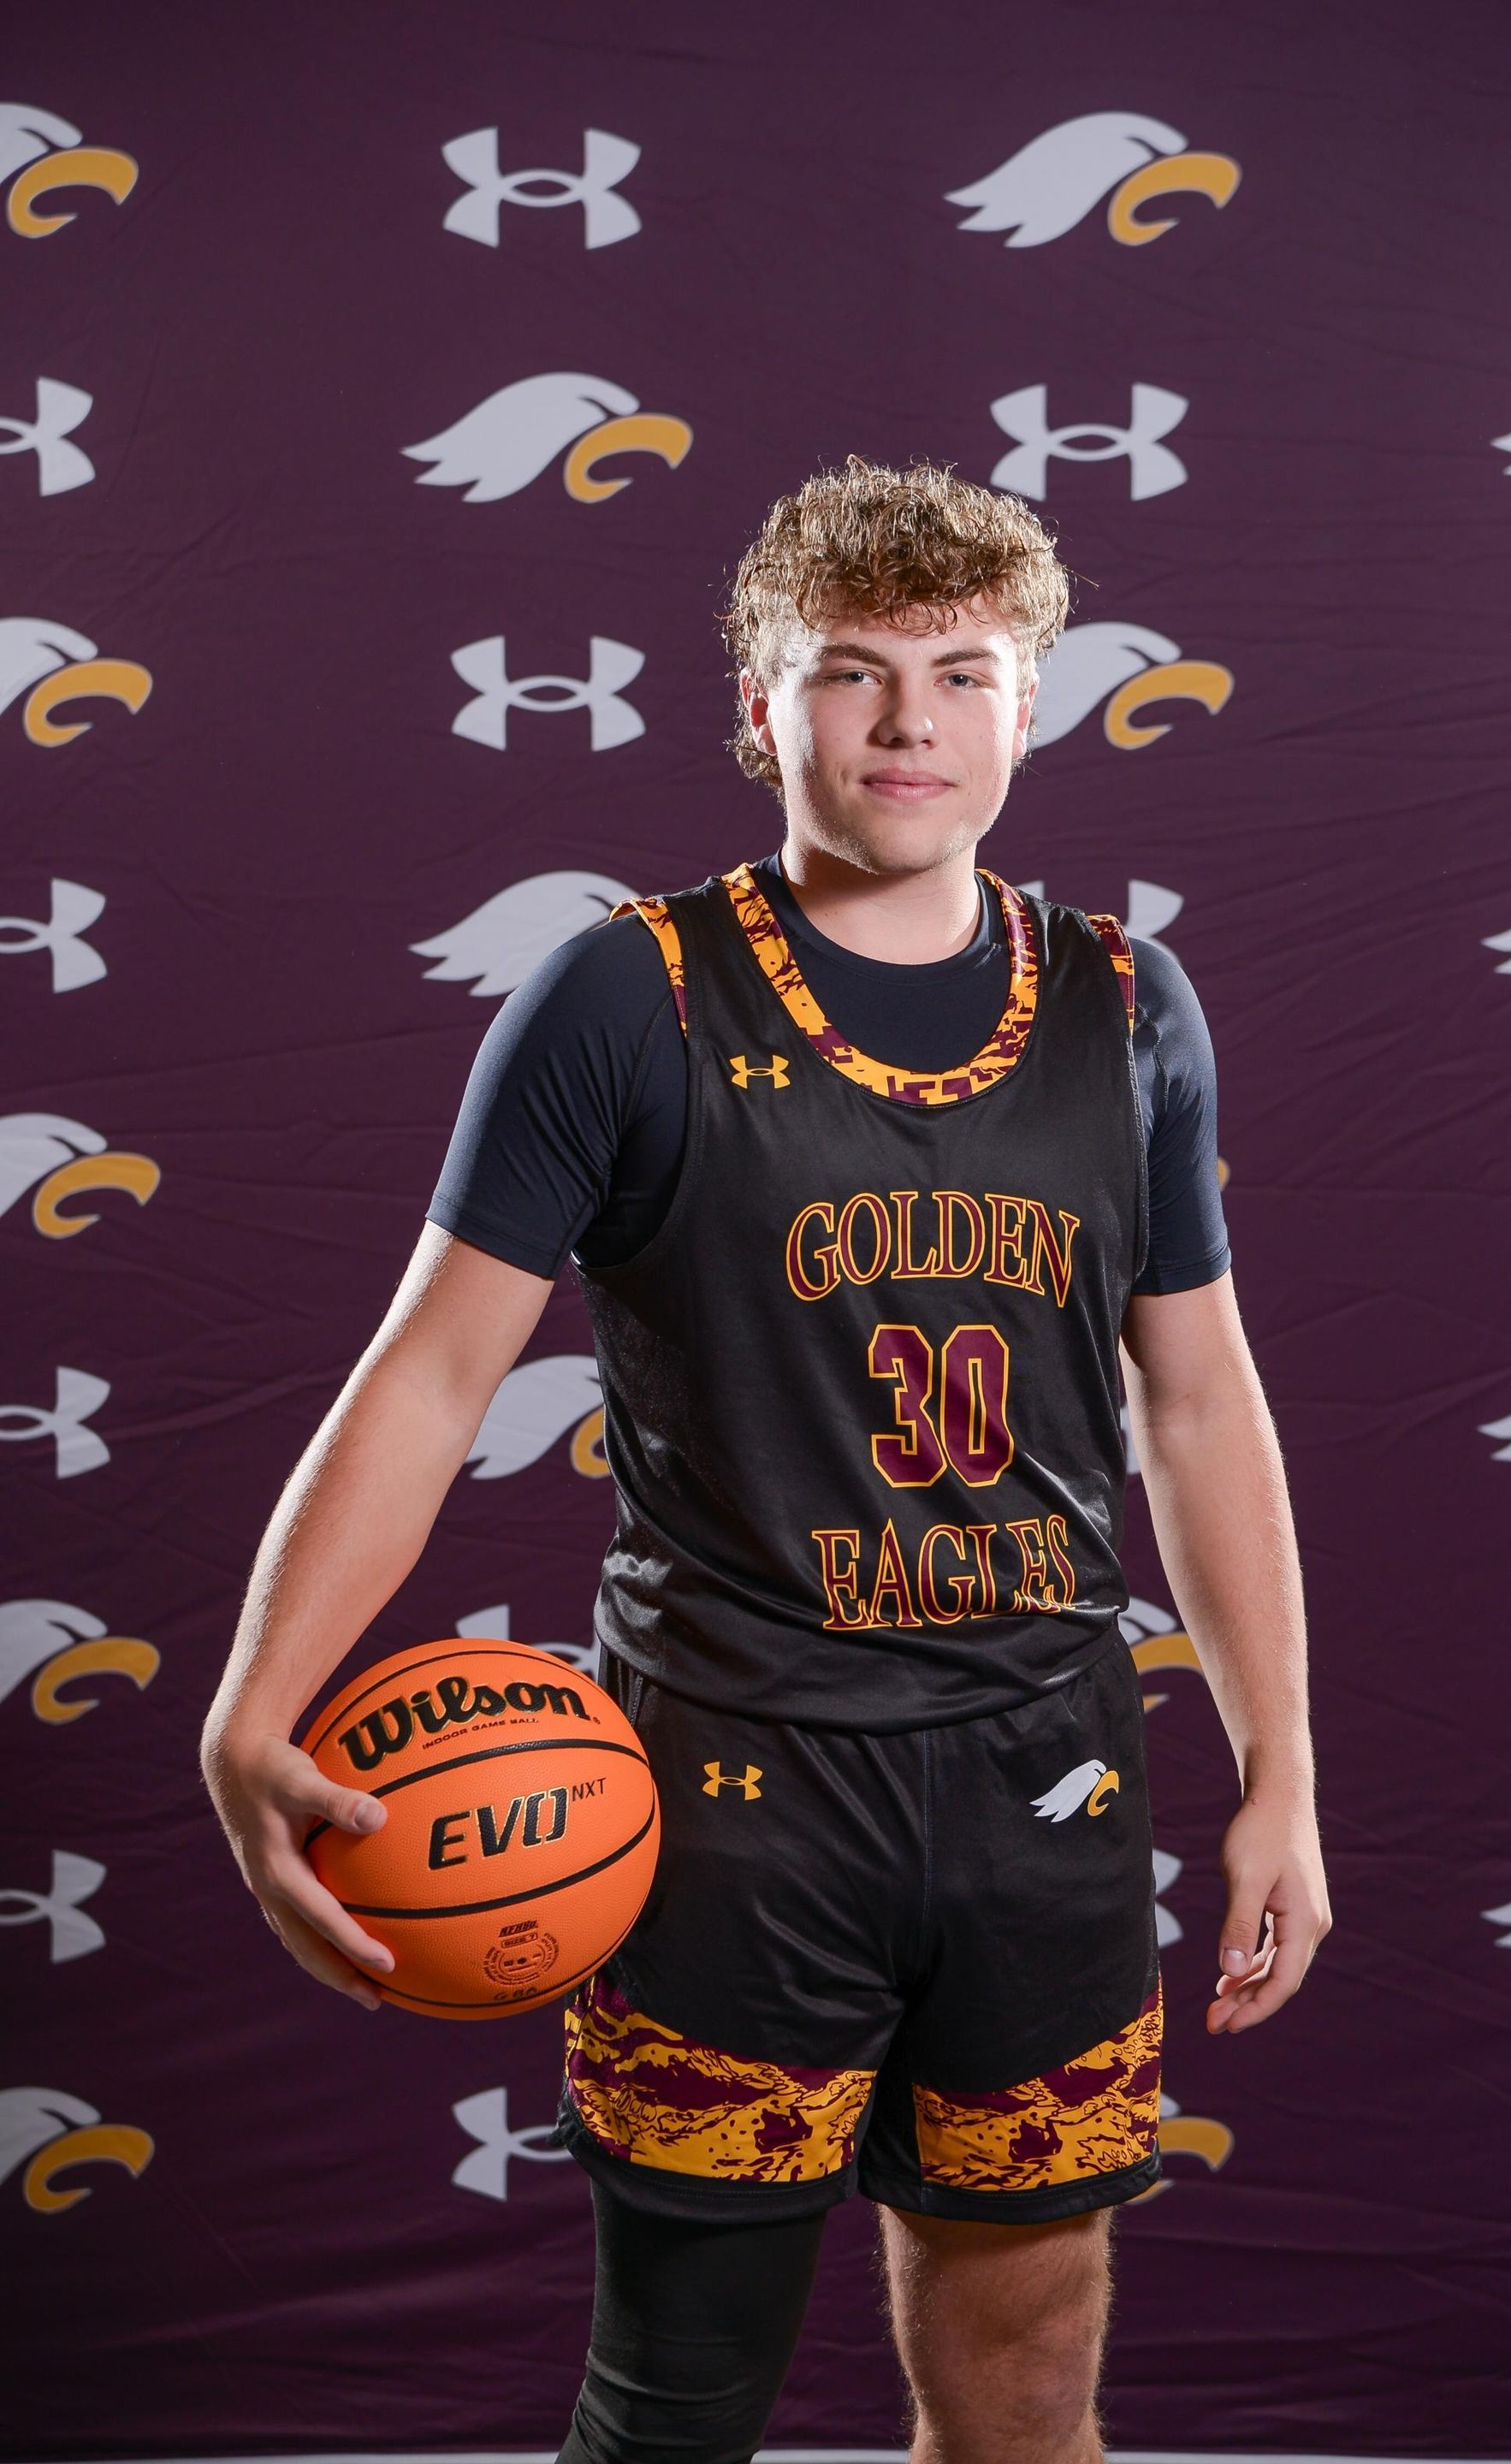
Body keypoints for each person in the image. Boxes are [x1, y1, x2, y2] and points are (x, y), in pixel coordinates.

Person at [202, 458, 1330, 2464]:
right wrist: (248, 1709)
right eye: (851, 671)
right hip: (734, 1792)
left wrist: (1287, 1773)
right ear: (758, 705)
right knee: (678, 2397)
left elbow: (1198, 1403)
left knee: (1028, 2386)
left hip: (1048, 1775)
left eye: (962, 674)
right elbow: (434, 1377)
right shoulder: (625, 994)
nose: (910, 721)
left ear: (1032, 706)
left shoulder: (1129, 1004)